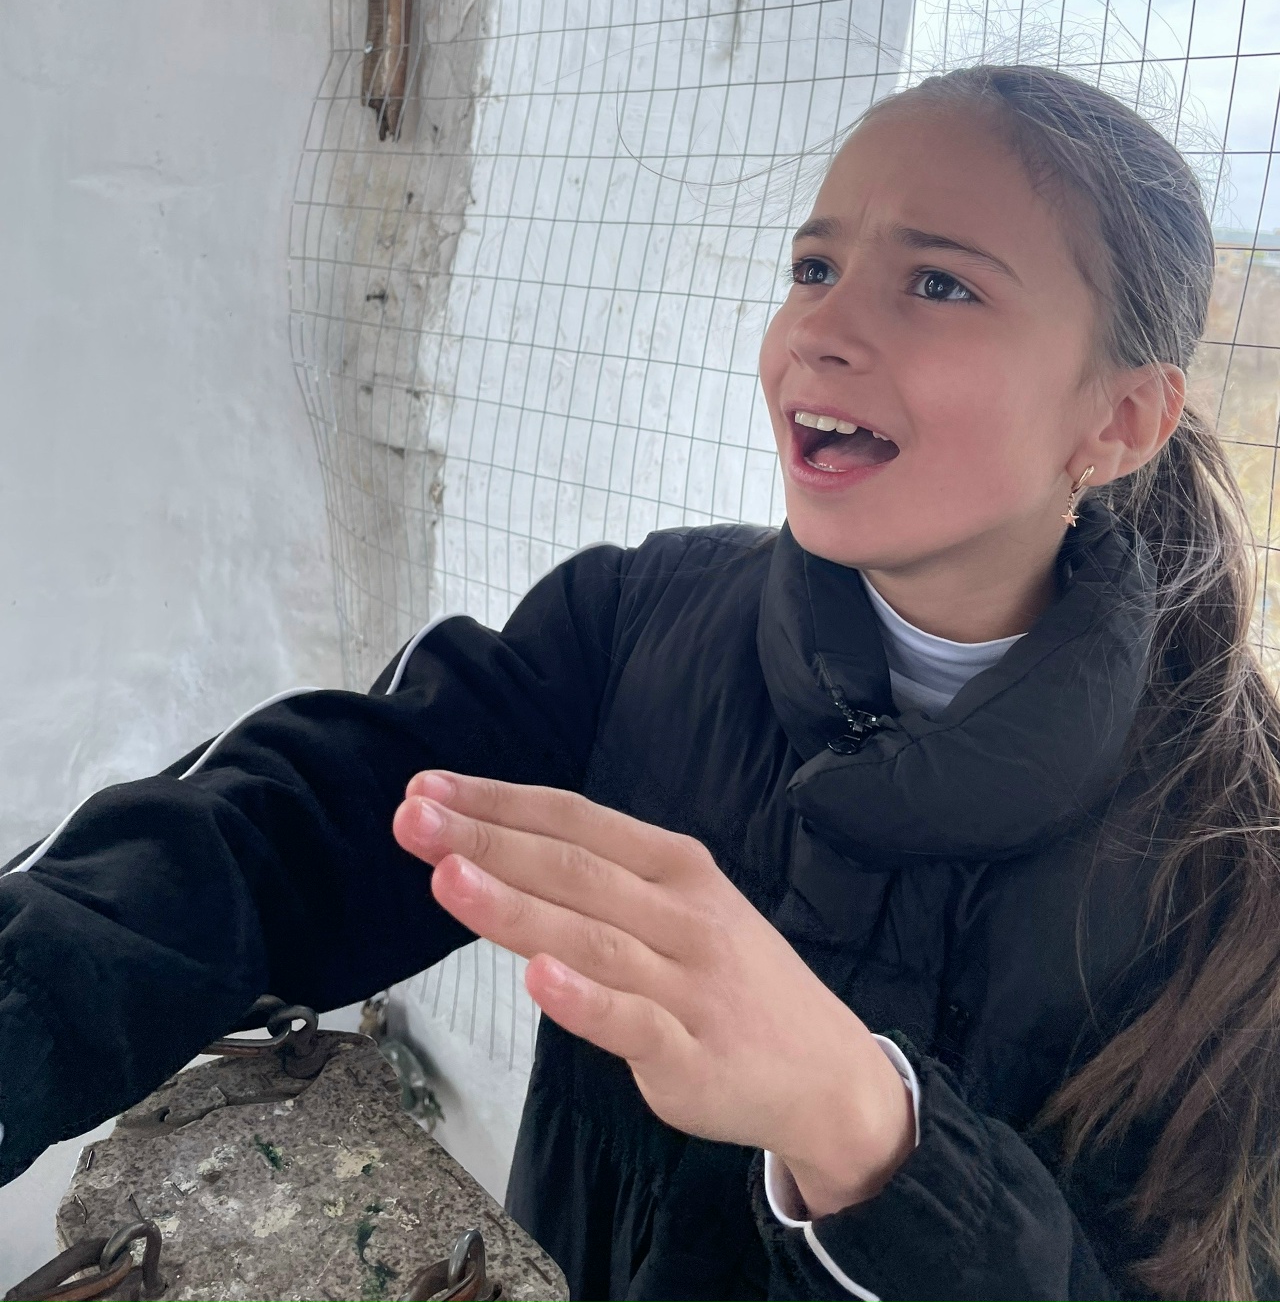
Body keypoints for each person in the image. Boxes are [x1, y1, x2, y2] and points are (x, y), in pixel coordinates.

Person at [2, 65, 1277, 1302]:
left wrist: (864, 1130)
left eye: (937, 283)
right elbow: (286, 833)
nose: (817, 332)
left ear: (1118, 419)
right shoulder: (631, 626)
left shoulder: (1232, 860)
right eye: (813, 268)